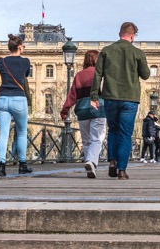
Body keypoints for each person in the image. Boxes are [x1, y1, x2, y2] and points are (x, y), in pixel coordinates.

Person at [90, 22, 150, 180]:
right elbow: (145, 75)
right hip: (130, 99)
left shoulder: (107, 51)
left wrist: (94, 96)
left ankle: (112, 161)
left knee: (113, 130)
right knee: (125, 134)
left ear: (119, 34)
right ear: (132, 36)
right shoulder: (138, 53)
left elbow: (97, 74)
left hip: (110, 97)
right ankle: (122, 170)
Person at [0, 34, 34, 177]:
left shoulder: (1, 61)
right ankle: (22, 164)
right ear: (19, 47)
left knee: (3, 134)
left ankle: (1, 167)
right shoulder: (26, 62)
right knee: (22, 133)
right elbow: (26, 74)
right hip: (19, 100)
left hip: (3, 99)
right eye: (22, 46)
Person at [60, 49, 106, 178]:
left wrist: (65, 110)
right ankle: (91, 162)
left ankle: (89, 167)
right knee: (97, 139)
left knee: (86, 141)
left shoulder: (79, 75)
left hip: (82, 111)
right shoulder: (101, 74)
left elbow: (72, 95)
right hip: (99, 110)